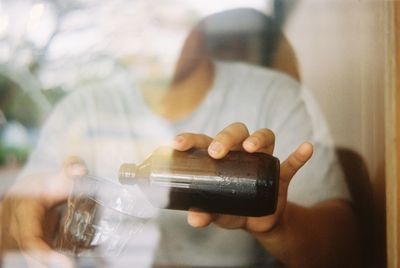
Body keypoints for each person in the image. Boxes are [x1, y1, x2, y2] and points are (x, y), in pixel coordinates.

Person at [1, 7, 360, 268]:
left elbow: (348, 249)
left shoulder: (273, 95)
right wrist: (22, 212)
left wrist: (280, 224)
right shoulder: (81, 110)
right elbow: (10, 237)